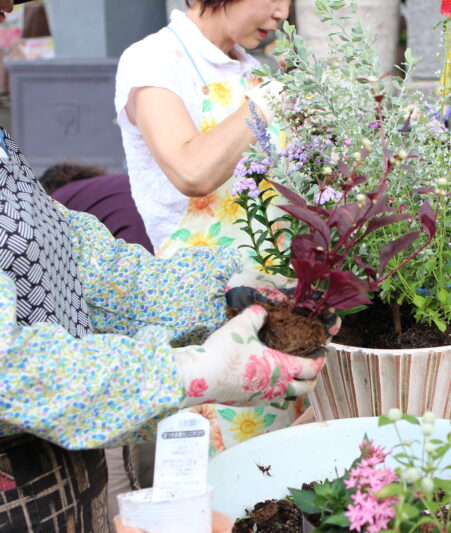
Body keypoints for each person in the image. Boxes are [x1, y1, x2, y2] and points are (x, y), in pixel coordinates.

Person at [0, 5, 325, 533]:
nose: (282, 11)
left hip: (68, 486)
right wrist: (189, 371)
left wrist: (225, 289)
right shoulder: (154, 60)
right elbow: (5, 366)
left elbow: (84, 263)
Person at [114, 0, 301, 458]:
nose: (282, 12)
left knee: (283, 484)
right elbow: (191, 171)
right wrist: (264, 104)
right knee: (219, 492)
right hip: (203, 319)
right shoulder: (154, 59)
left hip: (276, 314)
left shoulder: (255, 68)